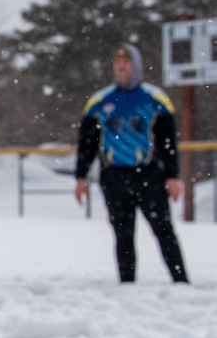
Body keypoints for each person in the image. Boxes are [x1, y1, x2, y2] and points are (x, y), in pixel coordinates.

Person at [74, 42, 189, 283]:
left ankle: (181, 281)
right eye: (117, 63)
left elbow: (167, 142)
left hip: (149, 176)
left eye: (126, 62)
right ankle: (127, 283)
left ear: (136, 66)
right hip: (114, 177)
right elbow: (87, 143)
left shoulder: (154, 99)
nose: (121, 67)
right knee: (123, 235)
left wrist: (172, 175)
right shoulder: (99, 102)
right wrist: (81, 176)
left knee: (163, 231)